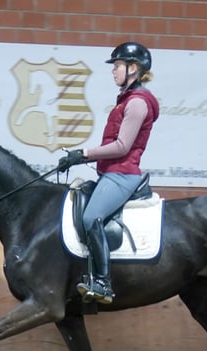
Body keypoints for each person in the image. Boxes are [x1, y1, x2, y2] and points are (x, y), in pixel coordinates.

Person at [57, 41, 160, 304]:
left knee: (92, 216)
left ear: (133, 68)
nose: (113, 70)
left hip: (123, 175)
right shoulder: (125, 100)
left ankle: (102, 282)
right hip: (111, 173)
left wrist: (83, 154)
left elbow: (122, 146)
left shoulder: (137, 103)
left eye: (117, 65)